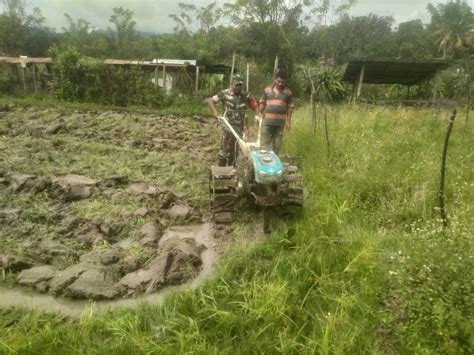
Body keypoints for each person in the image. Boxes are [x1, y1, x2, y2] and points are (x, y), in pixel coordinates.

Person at [209, 74, 257, 166]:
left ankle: (232, 169)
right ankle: (222, 170)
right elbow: (211, 101)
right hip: (227, 126)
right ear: (231, 84)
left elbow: (254, 105)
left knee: (234, 150)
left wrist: (258, 112)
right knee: (224, 149)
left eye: (240, 85)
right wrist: (215, 113)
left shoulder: (246, 95)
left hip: (239, 127)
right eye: (236, 85)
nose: (238, 87)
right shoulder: (224, 93)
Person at [256, 70, 294, 154]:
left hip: (280, 124)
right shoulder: (267, 90)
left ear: (285, 82)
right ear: (275, 80)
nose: (280, 83)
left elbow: (290, 107)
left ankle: (274, 163)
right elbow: (262, 103)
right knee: (264, 144)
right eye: (279, 81)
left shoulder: (288, 92)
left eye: (283, 82)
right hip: (267, 123)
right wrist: (258, 115)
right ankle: (264, 163)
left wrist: (289, 122)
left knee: (277, 145)